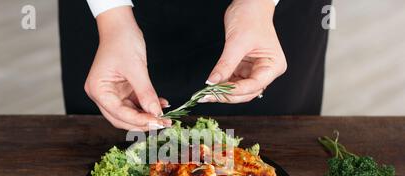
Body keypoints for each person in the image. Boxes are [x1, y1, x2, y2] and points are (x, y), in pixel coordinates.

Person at [59, 0, 331, 131]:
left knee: (280, 150)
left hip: (269, 18)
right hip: (108, 17)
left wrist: (258, 5)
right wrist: (112, 18)